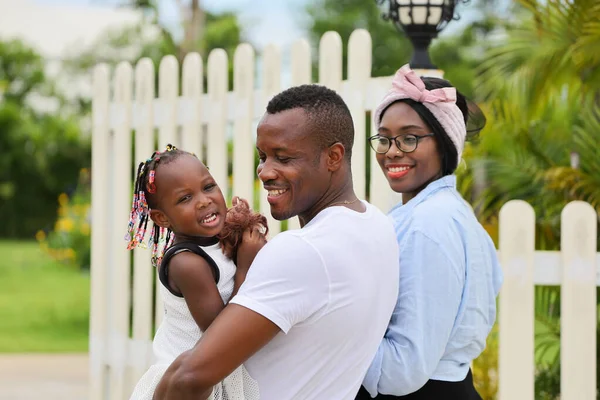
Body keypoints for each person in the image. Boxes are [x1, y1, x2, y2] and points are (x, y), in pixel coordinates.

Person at [153, 84, 400, 400]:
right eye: (263, 156)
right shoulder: (379, 226)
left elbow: (186, 379)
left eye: (283, 157)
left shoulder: (302, 251)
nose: (265, 172)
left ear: (333, 157)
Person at [355, 65, 504, 400]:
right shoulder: (452, 215)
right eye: (383, 138)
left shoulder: (428, 224)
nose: (392, 150)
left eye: (410, 138)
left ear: (444, 144)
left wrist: (334, 330)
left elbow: (402, 372)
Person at [125, 144, 267, 400]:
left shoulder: (216, 243)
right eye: (185, 198)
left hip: (214, 370)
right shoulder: (186, 262)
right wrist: (246, 266)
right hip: (188, 381)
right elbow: (221, 332)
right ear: (162, 218)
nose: (204, 201)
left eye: (208, 187)